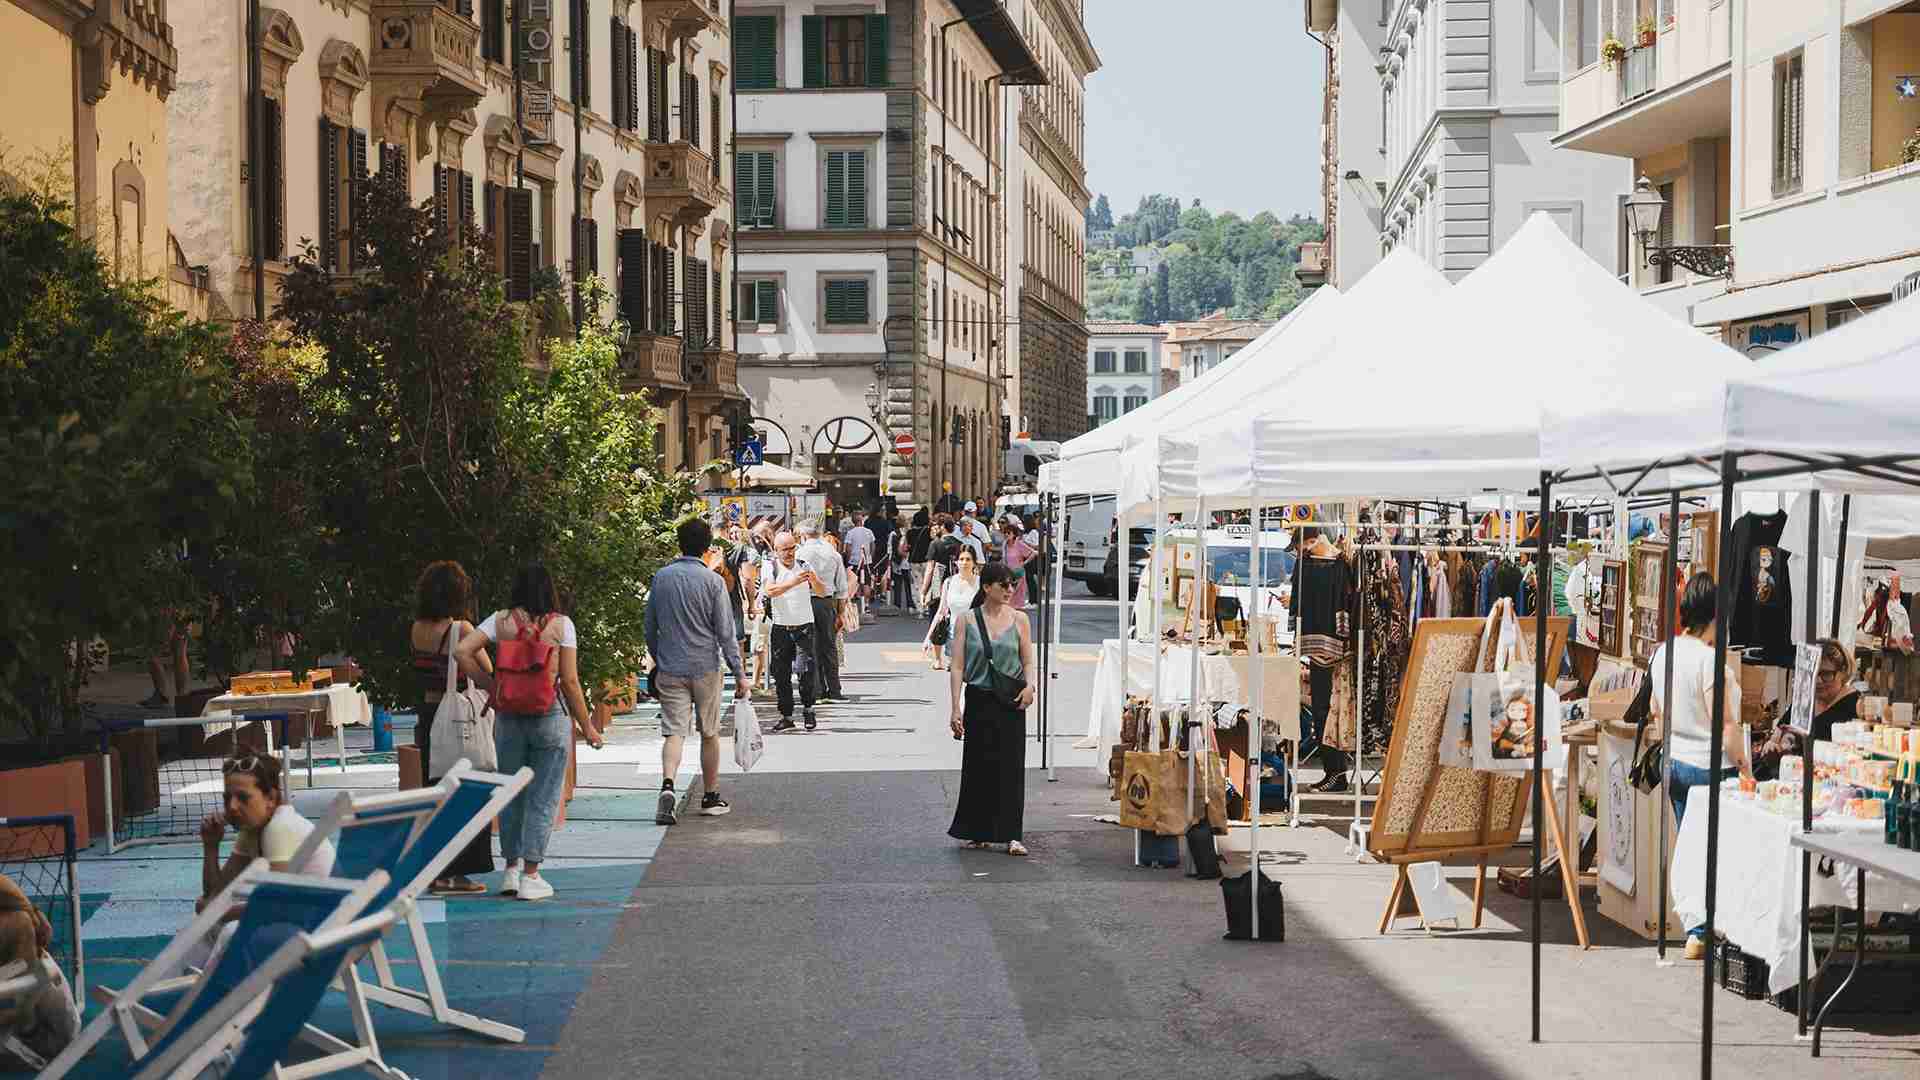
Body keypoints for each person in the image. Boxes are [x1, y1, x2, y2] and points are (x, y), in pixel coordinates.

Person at [456, 564, 600, 902]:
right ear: (549, 590)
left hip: (508, 717)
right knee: (544, 796)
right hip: (549, 716)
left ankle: (509, 870)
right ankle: (531, 876)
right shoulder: (562, 626)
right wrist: (588, 727)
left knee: (510, 792)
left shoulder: (500, 621)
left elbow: (461, 651)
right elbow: (571, 681)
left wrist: (491, 685)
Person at [1648, 572, 1752, 960]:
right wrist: (1744, 765)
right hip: (1711, 767)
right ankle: (1711, 929)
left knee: (1691, 847)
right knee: (1720, 851)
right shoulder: (1710, 662)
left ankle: (1697, 930)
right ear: (1716, 615)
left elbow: (1657, 711)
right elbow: (1723, 723)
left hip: (1675, 762)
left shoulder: (1663, 654)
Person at [644, 519, 749, 826]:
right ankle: (710, 795)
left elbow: (650, 626)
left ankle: (667, 786)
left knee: (674, 732)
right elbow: (726, 633)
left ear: (679, 543)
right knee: (709, 733)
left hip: (670, 666)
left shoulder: (661, 578)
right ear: (707, 548)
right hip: (705, 666)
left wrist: (657, 656)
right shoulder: (713, 581)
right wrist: (739, 672)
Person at [409, 560, 495, 894]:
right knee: (470, 790)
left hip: (430, 716)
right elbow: (484, 668)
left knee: (438, 791)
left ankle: (436, 870)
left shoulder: (415, 628)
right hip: (460, 716)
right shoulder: (461, 629)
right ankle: (458, 874)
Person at [947, 562, 1037, 856]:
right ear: (987, 587)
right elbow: (957, 665)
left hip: (1011, 699)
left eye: (1012, 585)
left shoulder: (1020, 619)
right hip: (979, 698)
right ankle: (978, 831)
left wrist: (1030, 686)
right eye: (1004, 585)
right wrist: (955, 707)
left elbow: (1028, 660)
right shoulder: (967, 620)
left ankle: (1012, 834)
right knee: (979, 766)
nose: (1010, 590)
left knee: (1010, 767)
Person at [198, 753, 338, 913]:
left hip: (319, 923)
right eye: (227, 798)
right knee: (208, 911)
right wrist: (211, 845)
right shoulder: (252, 828)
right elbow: (215, 894)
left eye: (243, 798)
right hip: (304, 920)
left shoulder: (279, 826)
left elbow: (277, 906)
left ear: (271, 798)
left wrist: (217, 914)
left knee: (224, 926)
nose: (232, 806)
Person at [762, 530, 824, 730]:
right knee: (781, 674)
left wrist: (813, 580)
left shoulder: (804, 565)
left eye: (792, 548)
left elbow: (822, 592)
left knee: (805, 670)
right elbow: (770, 591)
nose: (789, 553)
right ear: (776, 550)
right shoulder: (770, 567)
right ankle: (787, 716)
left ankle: (808, 709)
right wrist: (794, 581)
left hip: (804, 627)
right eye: (785, 549)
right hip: (780, 628)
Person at [796, 519, 849, 702]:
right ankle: (835, 691)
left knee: (809, 647)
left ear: (803, 534)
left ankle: (816, 691)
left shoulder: (800, 553)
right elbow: (842, 587)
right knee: (829, 646)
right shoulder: (832, 553)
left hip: (805, 601)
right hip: (827, 603)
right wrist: (841, 613)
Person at [925, 547, 981, 671]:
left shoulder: (981, 583)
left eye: (968, 559)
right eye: (961, 559)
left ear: (974, 562)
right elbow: (941, 611)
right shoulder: (949, 582)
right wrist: (928, 637)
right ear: (956, 562)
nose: (964, 563)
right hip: (953, 637)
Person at [1000, 518, 1036, 609]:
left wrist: (1024, 563)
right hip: (1007, 573)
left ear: (1014, 534)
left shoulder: (1019, 544)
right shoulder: (1004, 544)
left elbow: (1033, 553)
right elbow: (1004, 558)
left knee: (1016, 598)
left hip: (1018, 573)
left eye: (1009, 533)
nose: (1006, 535)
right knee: (1008, 597)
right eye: (1005, 533)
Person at [844, 513, 876, 614]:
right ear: (862, 521)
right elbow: (873, 545)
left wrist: (848, 559)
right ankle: (866, 605)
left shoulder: (850, 533)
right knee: (867, 582)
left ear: (853, 522)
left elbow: (848, 548)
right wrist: (870, 556)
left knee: (853, 583)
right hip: (867, 561)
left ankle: (852, 605)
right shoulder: (869, 531)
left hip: (854, 561)